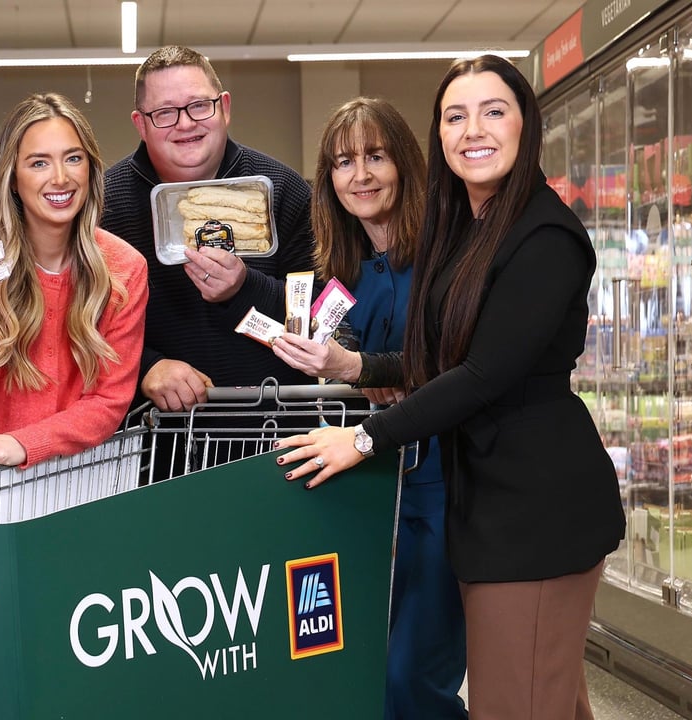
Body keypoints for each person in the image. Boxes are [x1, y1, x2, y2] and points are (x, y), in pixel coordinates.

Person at [276, 55, 626, 720]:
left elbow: (484, 374)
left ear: (526, 124)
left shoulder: (543, 236)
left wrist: (364, 437)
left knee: (512, 702)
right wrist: (358, 370)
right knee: (545, 697)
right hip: (491, 502)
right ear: (438, 135)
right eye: (456, 115)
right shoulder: (470, 231)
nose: (474, 130)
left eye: (494, 111)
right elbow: (434, 359)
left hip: (534, 511)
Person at [270, 97, 466, 719]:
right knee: (365, 671)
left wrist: (363, 369)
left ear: (405, 164)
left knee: (412, 675)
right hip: (371, 487)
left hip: (443, 486)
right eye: (343, 162)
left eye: (375, 157)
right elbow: (352, 362)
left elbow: (458, 367)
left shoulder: (447, 255)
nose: (360, 175)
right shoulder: (345, 272)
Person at [0, 93, 147, 478]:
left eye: (73, 158)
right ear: (13, 177)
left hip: (73, 481)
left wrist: (23, 442)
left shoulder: (124, 268)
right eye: (39, 163)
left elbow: (108, 401)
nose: (60, 178)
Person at [101, 45, 315, 415]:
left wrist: (244, 287)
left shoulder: (282, 189)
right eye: (165, 112)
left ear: (225, 107)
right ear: (141, 124)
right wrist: (146, 366)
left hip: (274, 429)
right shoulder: (103, 205)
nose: (185, 124)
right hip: (153, 444)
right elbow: (76, 325)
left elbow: (316, 316)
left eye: (199, 105)